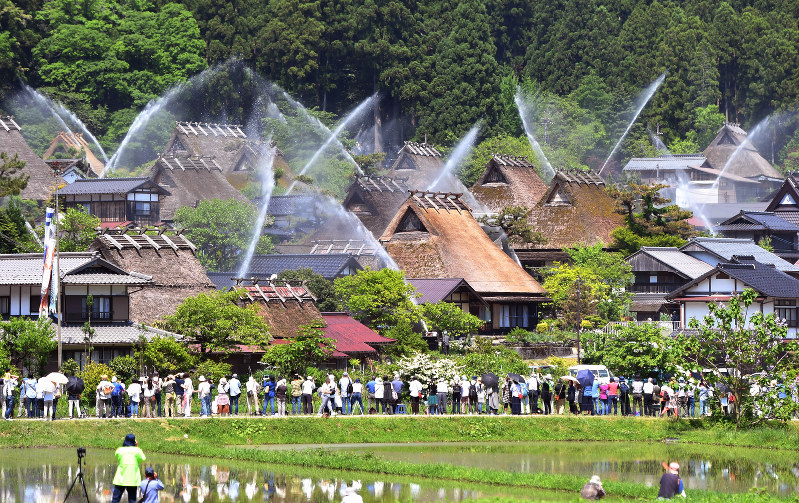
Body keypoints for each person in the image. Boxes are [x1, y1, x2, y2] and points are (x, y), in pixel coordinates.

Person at [111, 433, 146, 503]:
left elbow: (118, 457)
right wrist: (137, 447)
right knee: (132, 500)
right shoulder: (137, 451)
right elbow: (143, 458)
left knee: (115, 500)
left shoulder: (119, 450)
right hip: (132, 480)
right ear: (134, 442)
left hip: (120, 479)